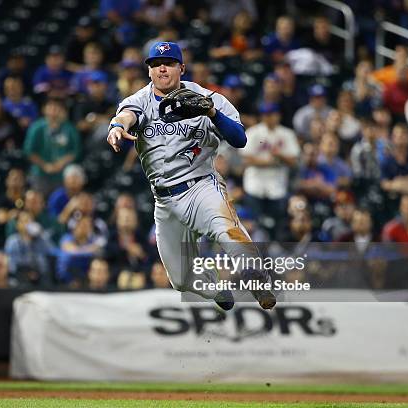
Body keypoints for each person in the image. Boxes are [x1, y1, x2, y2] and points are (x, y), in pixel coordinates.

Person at [106, 41, 275, 310]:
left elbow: (240, 139)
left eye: (169, 63)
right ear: (148, 71)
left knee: (227, 231)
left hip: (200, 187)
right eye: (155, 64)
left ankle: (256, 278)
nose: (162, 68)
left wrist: (212, 112)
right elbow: (127, 116)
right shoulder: (139, 100)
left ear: (182, 68)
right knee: (181, 279)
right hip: (164, 200)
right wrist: (116, 127)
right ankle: (216, 288)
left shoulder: (209, 99)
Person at [240, 102, 299, 238]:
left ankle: (275, 255)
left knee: (276, 227)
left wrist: (279, 155)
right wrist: (267, 162)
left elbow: (294, 161)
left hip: (277, 186)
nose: (268, 118)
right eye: (266, 115)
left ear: (278, 116)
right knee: (255, 225)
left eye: (271, 114)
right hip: (255, 185)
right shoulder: (253, 132)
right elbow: (245, 159)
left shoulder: (287, 134)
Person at [23, 98, 81, 193]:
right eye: (50, 107)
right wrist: (45, 165)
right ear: (44, 109)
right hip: (40, 172)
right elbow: (29, 150)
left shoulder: (69, 128)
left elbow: (76, 150)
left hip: (62, 173)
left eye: (57, 107)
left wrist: (60, 163)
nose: (54, 110)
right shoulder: (37, 127)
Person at [4, 211, 54, 286]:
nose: (27, 224)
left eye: (30, 221)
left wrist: (41, 233)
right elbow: (12, 265)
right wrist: (27, 272)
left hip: (40, 276)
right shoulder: (12, 241)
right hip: (20, 276)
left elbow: (51, 251)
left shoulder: (41, 239)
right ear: (18, 225)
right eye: (24, 221)